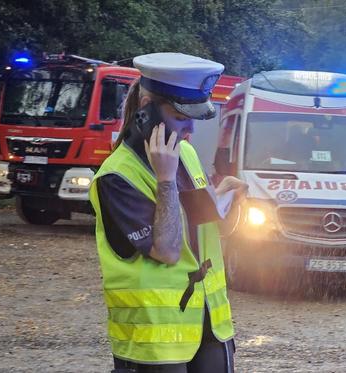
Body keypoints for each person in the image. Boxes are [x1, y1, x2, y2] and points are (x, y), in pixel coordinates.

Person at [89, 52, 248, 373]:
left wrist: (228, 197)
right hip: (155, 344)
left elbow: (206, 226)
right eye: (180, 115)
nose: (190, 128)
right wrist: (165, 179)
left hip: (209, 326)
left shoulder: (184, 153)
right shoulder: (116, 176)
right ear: (146, 110)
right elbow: (168, 250)